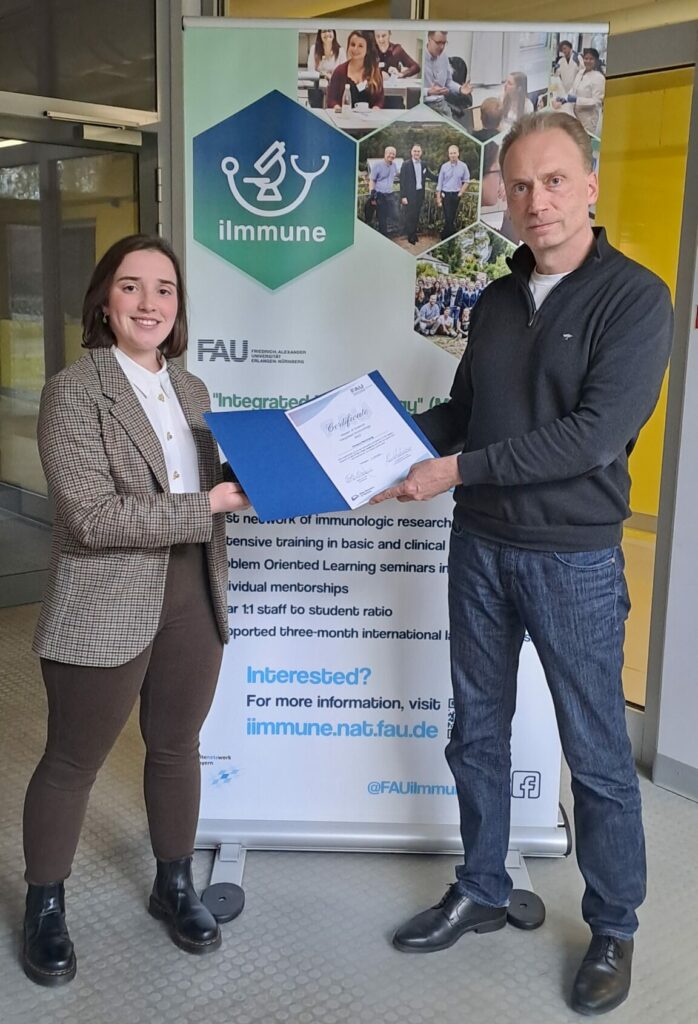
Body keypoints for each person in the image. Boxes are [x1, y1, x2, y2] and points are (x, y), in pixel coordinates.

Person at [371, 112, 673, 1017]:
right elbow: (465, 414)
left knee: (598, 757)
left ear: (589, 187)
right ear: (504, 195)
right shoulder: (497, 298)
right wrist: (371, 447)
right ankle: (483, 886)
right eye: (522, 185)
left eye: (554, 182)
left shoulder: (636, 299)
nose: (537, 202)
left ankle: (614, 925)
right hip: (481, 548)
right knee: (477, 731)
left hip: (572, 560)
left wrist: (452, 469)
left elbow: (590, 439)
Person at [21, 234, 250, 986]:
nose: (150, 303)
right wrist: (210, 501)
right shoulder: (72, 390)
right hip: (106, 595)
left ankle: (173, 883)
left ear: (178, 307)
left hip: (193, 592)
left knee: (177, 747)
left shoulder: (192, 392)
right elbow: (90, 518)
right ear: (103, 300)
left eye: (165, 289)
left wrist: (262, 483)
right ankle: (45, 906)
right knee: (71, 762)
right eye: (131, 287)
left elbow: (211, 497)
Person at [327, 30, 384, 111]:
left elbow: (379, 100)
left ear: (367, 49)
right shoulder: (339, 71)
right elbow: (331, 100)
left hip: (369, 120)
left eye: (360, 46)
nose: (355, 49)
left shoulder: (375, 71)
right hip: (345, 119)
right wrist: (339, 109)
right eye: (352, 45)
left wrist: (376, 109)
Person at [423, 31, 472, 120]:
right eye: (438, 43)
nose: (441, 47)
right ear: (429, 39)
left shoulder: (444, 57)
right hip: (426, 106)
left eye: (444, 43)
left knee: (460, 130)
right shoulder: (420, 59)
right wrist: (429, 91)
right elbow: (414, 90)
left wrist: (460, 89)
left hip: (442, 104)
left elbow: (448, 82)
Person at [557, 48, 606, 136]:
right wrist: (565, 98)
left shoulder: (599, 78)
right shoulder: (580, 73)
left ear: (596, 61)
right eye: (586, 58)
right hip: (574, 116)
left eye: (591, 59)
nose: (588, 61)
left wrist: (577, 100)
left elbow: (596, 102)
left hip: (588, 120)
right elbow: (573, 89)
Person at [399, 143, 436, 245]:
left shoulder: (423, 164)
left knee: (416, 215)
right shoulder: (406, 164)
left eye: (418, 151)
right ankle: (411, 236)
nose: (416, 153)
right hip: (409, 195)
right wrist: (403, 196)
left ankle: (413, 233)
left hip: (420, 193)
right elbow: (402, 181)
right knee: (410, 215)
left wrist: (442, 178)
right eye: (415, 151)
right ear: (411, 152)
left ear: (421, 153)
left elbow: (431, 175)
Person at [436, 145, 470, 239]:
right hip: (445, 195)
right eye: (451, 153)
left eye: (454, 153)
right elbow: (439, 183)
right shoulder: (444, 167)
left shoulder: (463, 166)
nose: (453, 155)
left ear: (458, 153)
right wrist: (438, 199)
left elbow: (467, 181)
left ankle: (445, 235)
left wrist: (460, 193)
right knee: (448, 217)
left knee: (452, 217)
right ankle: (448, 236)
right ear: (448, 154)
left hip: (456, 195)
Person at [369, 146, 398, 236]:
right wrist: (372, 195)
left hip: (390, 194)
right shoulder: (377, 165)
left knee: (395, 214)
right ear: (385, 154)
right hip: (380, 194)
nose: (391, 155)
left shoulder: (394, 165)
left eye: (393, 154)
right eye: (390, 153)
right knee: (382, 217)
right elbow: (372, 180)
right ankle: (384, 236)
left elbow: (397, 175)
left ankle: (391, 232)